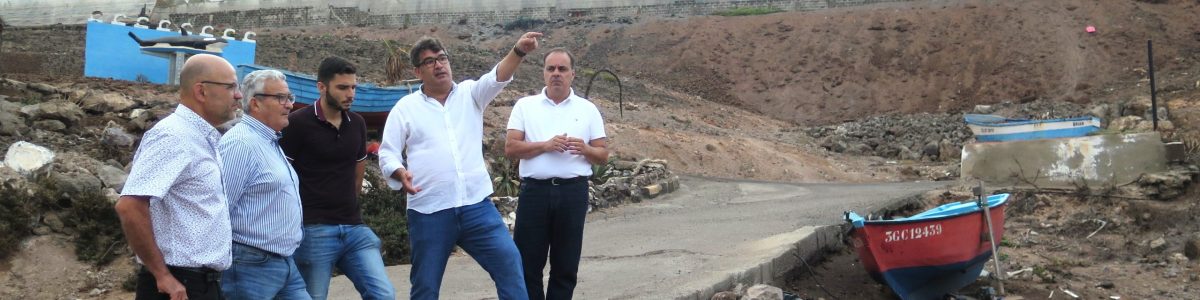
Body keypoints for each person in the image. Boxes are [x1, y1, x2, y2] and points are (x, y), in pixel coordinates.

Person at [378, 32, 542, 300]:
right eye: (430, 62)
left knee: (509, 263)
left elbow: (496, 76)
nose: (439, 65)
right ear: (417, 71)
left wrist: (519, 50)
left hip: (477, 206)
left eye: (442, 58)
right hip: (429, 211)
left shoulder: (470, 94)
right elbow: (387, 154)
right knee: (425, 287)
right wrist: (399, 172)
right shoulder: (404, 108)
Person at [115, 53, 241, 300]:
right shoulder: (174, 138)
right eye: (230, 87)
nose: (238, 95)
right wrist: (163, 276)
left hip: (201, 283)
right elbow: (129, 206)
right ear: (201, 91)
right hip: (178, 286)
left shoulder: (202, 138)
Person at [279, 56, 394, 300]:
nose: (350, 93)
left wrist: (351, 211)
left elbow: (357, 173)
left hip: (354, 228)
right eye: (342, 87)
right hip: (313, 229)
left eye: (353, 87)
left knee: (383, 295)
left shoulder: (358, 124)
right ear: (321, 87)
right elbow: (283, 179)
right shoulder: (297, 124)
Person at [504, 48, 608, 300]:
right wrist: (545, 145)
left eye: (562, 69)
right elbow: (510, 148)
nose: (556, 74)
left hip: (573, 192)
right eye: (551, 69)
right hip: (535, 193)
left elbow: (603, 155)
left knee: (566, 264)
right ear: (543, 73)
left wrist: (584, 148)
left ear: (573, 74)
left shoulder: (588, 109)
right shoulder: (525, 106)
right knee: (528, 263)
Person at [218, 69, 310, 299]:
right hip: (250, 266)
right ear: (255, 104)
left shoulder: (269, 140)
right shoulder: (241, 144)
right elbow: (220, 209)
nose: (289, 105)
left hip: (284, 263)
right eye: (281, 98)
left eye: (290, 97)